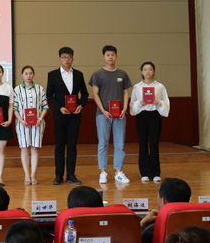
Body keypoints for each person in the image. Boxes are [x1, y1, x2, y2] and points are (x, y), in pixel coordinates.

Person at [89, 45, 132, 184]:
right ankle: (103, 172)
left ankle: (119, 172)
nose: (110, 57)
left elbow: (125, 92)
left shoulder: (122, 74)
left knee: (120, 144)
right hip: (103, 115)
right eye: (108, 55)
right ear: (104, 57)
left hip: (120, 115)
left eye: (113, 55)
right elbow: (95, 94)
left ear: (116, 56)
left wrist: (124, 109)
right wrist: (103, 110)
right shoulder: (97, 74)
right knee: (103, 143)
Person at [46, 47, 89, 185]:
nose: (67, 60)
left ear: (72, 59)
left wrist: (81, 106)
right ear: (60, 59)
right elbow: (49, 95)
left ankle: (71, 175)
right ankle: (58, 175)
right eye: (64, 57)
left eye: (69, 57)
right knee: (59, 145)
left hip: (75, 115)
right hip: (60, 115)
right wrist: (60, 108)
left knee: (72, 145)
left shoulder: (79, 74)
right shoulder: (52, 75)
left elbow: (85, 94)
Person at [130, 61, 170, 183]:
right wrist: (139, 103)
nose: (148, 72)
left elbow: (166, 102)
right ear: (141, 72)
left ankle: (155, 173)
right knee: (143, 145)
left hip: (154, 116)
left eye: (150, 69)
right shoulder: (137, 87)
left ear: (154, 72)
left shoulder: (160, 86)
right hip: (142, 116)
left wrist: (159, 103)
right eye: (145, 69)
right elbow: (132, 103)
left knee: (154, 144)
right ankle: (144, 173)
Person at [13, 65, 48, 186]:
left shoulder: (39, 88)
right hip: (22, 124)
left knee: (34, 148)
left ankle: (33, 175)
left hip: (38, 123)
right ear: (22, 75)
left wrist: (40, 118)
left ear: (33, 75)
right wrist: (21, 120)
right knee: (24, 148)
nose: (28, 76)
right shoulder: (17, 90)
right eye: (26, 73)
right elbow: (15, 108)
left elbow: (45, 106)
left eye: (30, 73)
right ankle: (27, 175)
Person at [140, 178, 192, 243]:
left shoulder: (152, 231)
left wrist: (142, 225)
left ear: (164, 201)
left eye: (157, 196)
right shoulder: (198, 225)